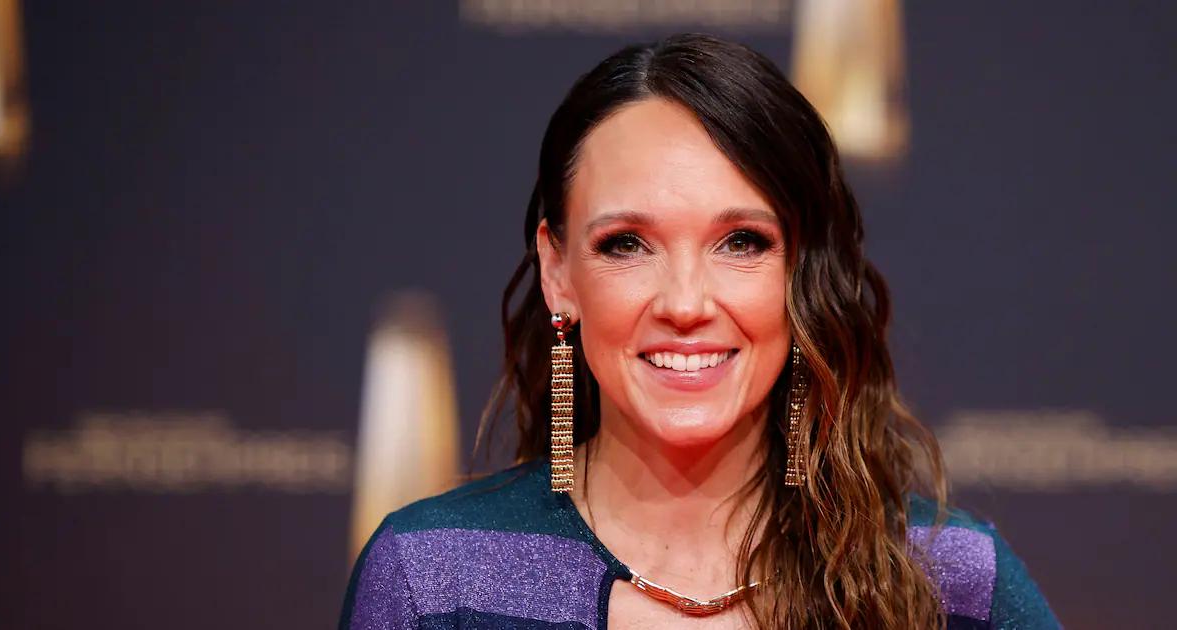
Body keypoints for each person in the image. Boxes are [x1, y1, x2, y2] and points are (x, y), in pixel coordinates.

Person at [338, 33, 1060, 629]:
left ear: (803, 272)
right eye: (626, 243)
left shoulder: (949, 584)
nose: (685, 303)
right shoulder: (431, 577)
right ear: (558, 271)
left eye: (742, 242)